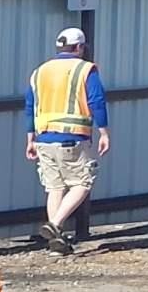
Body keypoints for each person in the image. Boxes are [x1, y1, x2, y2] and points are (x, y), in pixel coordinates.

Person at [25, 26, 110, 255]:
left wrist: (30, 138)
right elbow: (96, 101)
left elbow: (30, 106)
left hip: (43, 138)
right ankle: (55, 225)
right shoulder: (84, 69)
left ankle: (56, 243)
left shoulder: (40, 71)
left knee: (55, 187)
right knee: (83, 182)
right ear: (80, 47)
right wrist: (103, 132)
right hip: (72, 138)